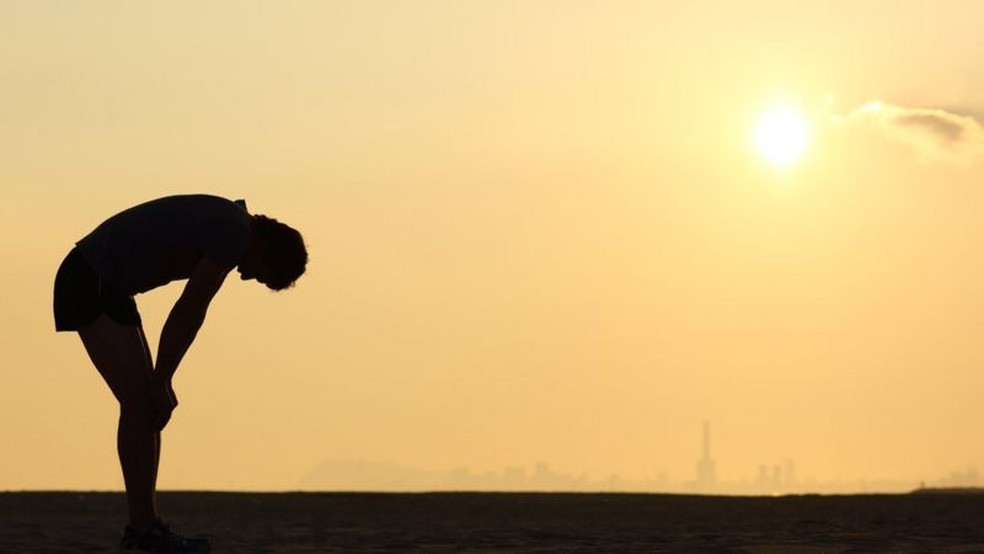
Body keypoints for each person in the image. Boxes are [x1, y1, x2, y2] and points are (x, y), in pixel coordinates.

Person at [53, 194, 307, 553]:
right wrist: (162, 379)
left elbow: (190, 313)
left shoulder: (233, 226)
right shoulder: (233, 233)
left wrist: (162, 380)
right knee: (141, 403)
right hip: (88, 279)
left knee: (147, 408)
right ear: (266, 246)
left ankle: (146, 526)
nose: (248, 277)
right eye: (261, 274)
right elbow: (189, 310)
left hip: (108, 286)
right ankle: (142, 531)